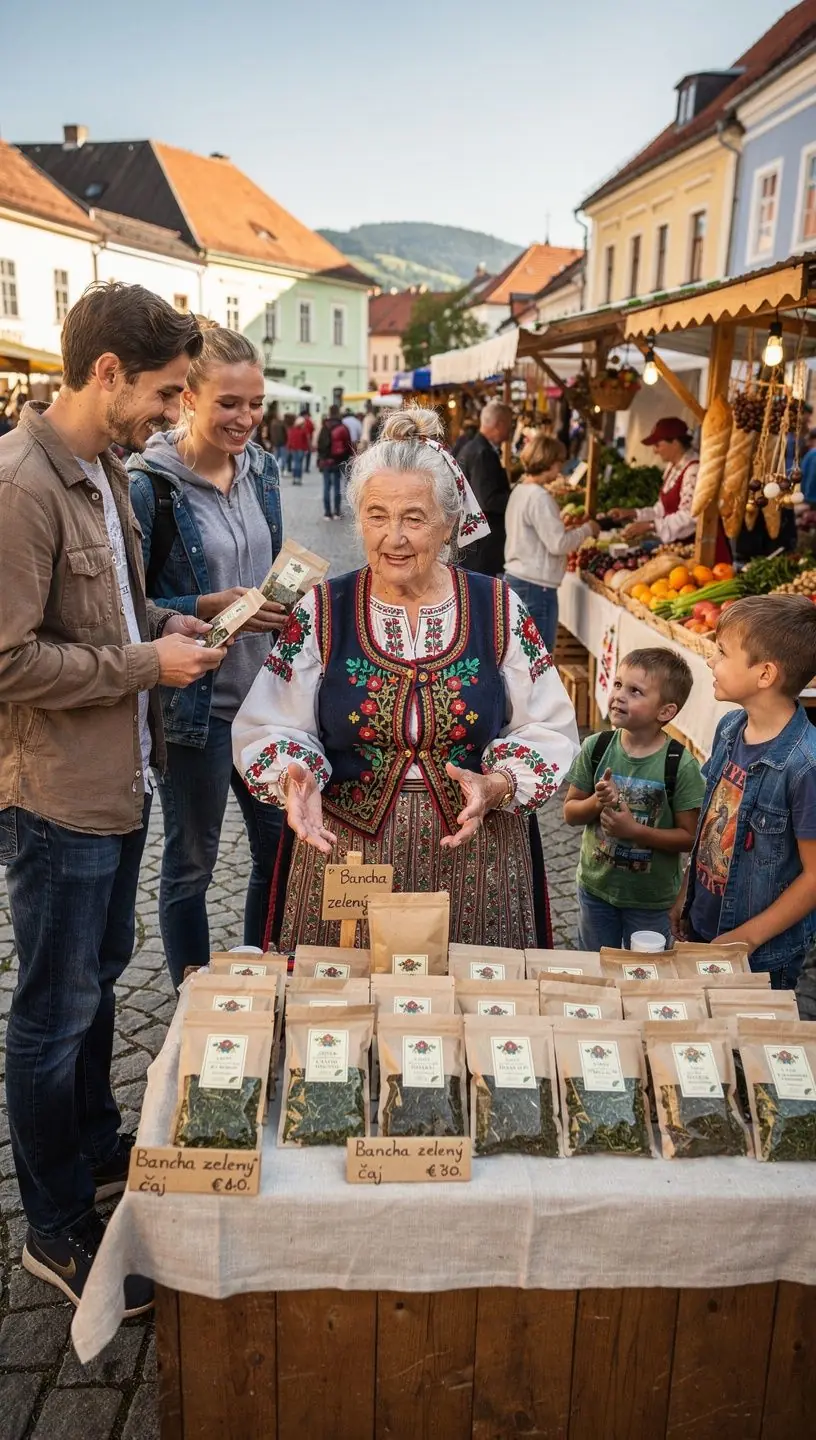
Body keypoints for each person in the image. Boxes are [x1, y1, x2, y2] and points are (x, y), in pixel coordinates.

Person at [0, 282, 226, 1312]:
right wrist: (145, 665)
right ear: (105, 372)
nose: (174, 412)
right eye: (169, 391)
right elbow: (7, 663)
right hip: (54, 796)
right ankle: (54, 1228)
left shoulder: (101, 468)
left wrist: (192, 616)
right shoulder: (21, 484)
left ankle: (95, 1149)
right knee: (52, 1015)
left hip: (117, 778)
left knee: (97, 978)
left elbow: (119, 612)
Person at [233, 406, 579, 952]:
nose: (393, 537)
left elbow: (550, 725)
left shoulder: (497, 607)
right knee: (343, 1019)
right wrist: (295, 774)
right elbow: (271, 721)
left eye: (414, 518)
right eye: (376, 516)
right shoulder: (324, 609)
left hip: (475, 849)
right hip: (346, 850)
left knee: (473, 1014)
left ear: (448, 525)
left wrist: (501, 783)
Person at [129, 322, 286, 988]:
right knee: (191, 863)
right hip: (195, 710)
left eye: (254, 403)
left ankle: (260, 980)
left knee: (278, 853)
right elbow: (128, 605)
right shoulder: (148, 487)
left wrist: (283, 604)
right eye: (229, 403)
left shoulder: (266, 472)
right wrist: (203, 606)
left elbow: (272, 568)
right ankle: (193, 994)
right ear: (188, 398)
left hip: (265, 702)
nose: (246, 418)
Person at [671, 596, 816, 999]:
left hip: (758, 954)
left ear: (765, 674)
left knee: (744, 1050)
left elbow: (814, 877)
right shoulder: (731, 727)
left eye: (722, 653)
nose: (710, 661)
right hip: (703, 924)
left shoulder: (804, 766)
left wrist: (746, 939)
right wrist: (686, 893)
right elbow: (711, 827)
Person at [564, 649, 704, 950]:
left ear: (665, 712)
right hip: (596, 890)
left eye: (635, 691)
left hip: (651, 902)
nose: (619, 696)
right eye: (617, 685)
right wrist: (597, 802)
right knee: (596, 965)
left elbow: (690, 838)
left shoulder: (680, 764)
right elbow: (571, 813)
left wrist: (636, 832)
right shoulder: (596, 747)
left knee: (646, 972)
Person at [503, 433, 600, 653]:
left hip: (519, 579)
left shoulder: (520, 490)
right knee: (538, 661)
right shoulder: (539, 497)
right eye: (559, 463)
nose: (560, 469)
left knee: (520, 657)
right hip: (536, 587)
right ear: (548, 462)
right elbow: (558, 544)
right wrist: (587, 529)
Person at [609, 416, 731, 564]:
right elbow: (661, 509)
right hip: (682, 551)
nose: (655, 451)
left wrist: (651, 526)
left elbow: (691, 516)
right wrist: (632, 513)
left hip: (703, 552)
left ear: (674, 442)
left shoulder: (693, 470)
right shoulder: (673, 468)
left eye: (657, 444)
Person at [456, 400, 514, 576]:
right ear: (499, 424)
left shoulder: (474, 448)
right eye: (510, 424)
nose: (511, 429)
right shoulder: (483, 453)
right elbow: (488, 500)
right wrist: (517, 498)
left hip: (474, 541)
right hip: (482, 545)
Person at [317, 404, 354, 520]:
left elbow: (320, 444)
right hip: (338, 460)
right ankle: (337, 512)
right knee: (337, 486)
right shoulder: (343, 427)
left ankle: (327, 513)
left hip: (326, 461)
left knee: (326, 487)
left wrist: (321, 458)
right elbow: (348, 444)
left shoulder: (325, 426)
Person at [286, 413, 309, 485]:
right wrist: (306, 449)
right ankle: (298, 479)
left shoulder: (292, 430)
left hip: (293, 449)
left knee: (295, 464)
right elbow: (306, 441)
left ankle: (295, 479)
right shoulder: (303, 431)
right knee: (299, 464)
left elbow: (289, 439)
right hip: (301, 449)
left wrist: (289, 447)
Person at [300, 407, 315, 473]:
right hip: (306, 441)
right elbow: (312, 430)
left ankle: (303, 467)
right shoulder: (309, 421)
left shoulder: (300, 422)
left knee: (303, 455)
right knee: (307, 455)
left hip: (303, 441)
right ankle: (306, 468)